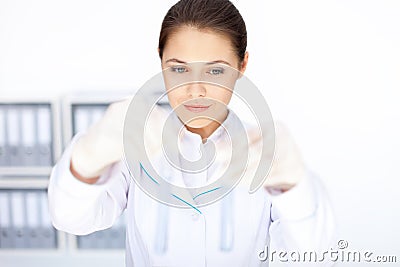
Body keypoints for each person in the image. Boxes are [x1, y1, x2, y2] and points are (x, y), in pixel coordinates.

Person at [48, 0, 336, 266]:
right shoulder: (132, 146)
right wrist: (86, 159)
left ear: (242, 65)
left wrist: (294, 188)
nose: (195, 89)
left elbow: (312, 254)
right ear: (161, 63)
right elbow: (71, 219)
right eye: (179, 69)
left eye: (215, 72)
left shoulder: (265, 157)